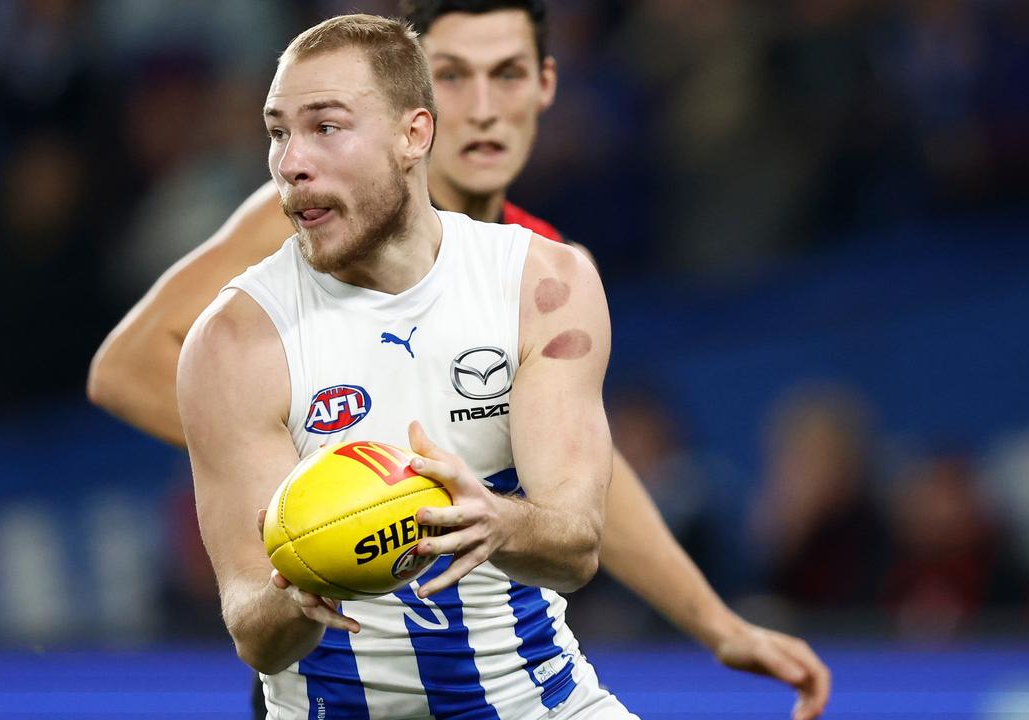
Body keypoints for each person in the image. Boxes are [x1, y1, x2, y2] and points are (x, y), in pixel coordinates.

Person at [89, 3, 830, 719]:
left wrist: (713, 622)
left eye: (504, 74)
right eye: (453, 74)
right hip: (336, 681)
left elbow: (579, 504)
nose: (480, 107)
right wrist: (328, 492)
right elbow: (131, 374)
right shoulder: (284, 252)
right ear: (427, 100)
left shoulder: (541, 273)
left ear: (543, 86)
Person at [181, 15, 625, 716]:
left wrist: (494, 523)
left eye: (325, 127)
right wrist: (296, 585)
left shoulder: (541, 286)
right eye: (277, 132)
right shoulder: (234, 341)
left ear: (414, 135)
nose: (291, 162)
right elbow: (254, 636)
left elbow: (576, 547)